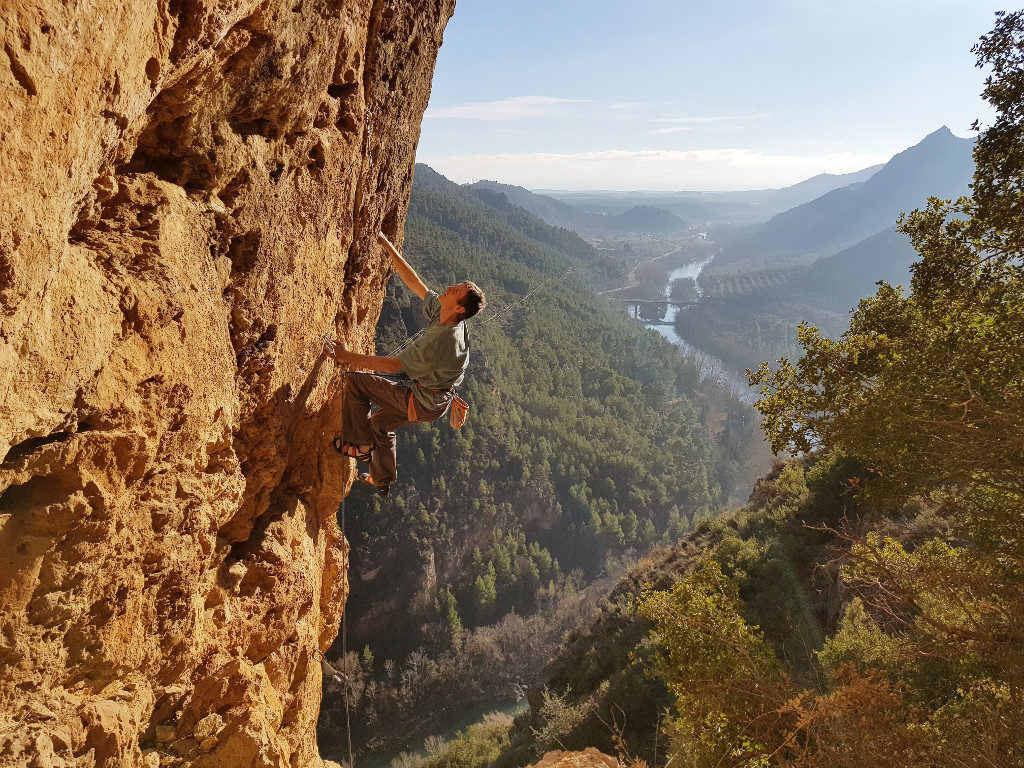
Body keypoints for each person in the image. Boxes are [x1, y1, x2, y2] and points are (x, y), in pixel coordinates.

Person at [323, 231, 486, 495]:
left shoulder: (442, 340)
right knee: (380, 424)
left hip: (421, 400)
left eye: (455, 291)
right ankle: (382, 478)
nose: (448, 288)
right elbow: (416, 284)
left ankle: (361, 447)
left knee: (355, 383)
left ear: (459, 308)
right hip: (434, 403)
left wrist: (344, 355)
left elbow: (391, 367)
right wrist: (388, 246)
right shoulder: (450, 316)